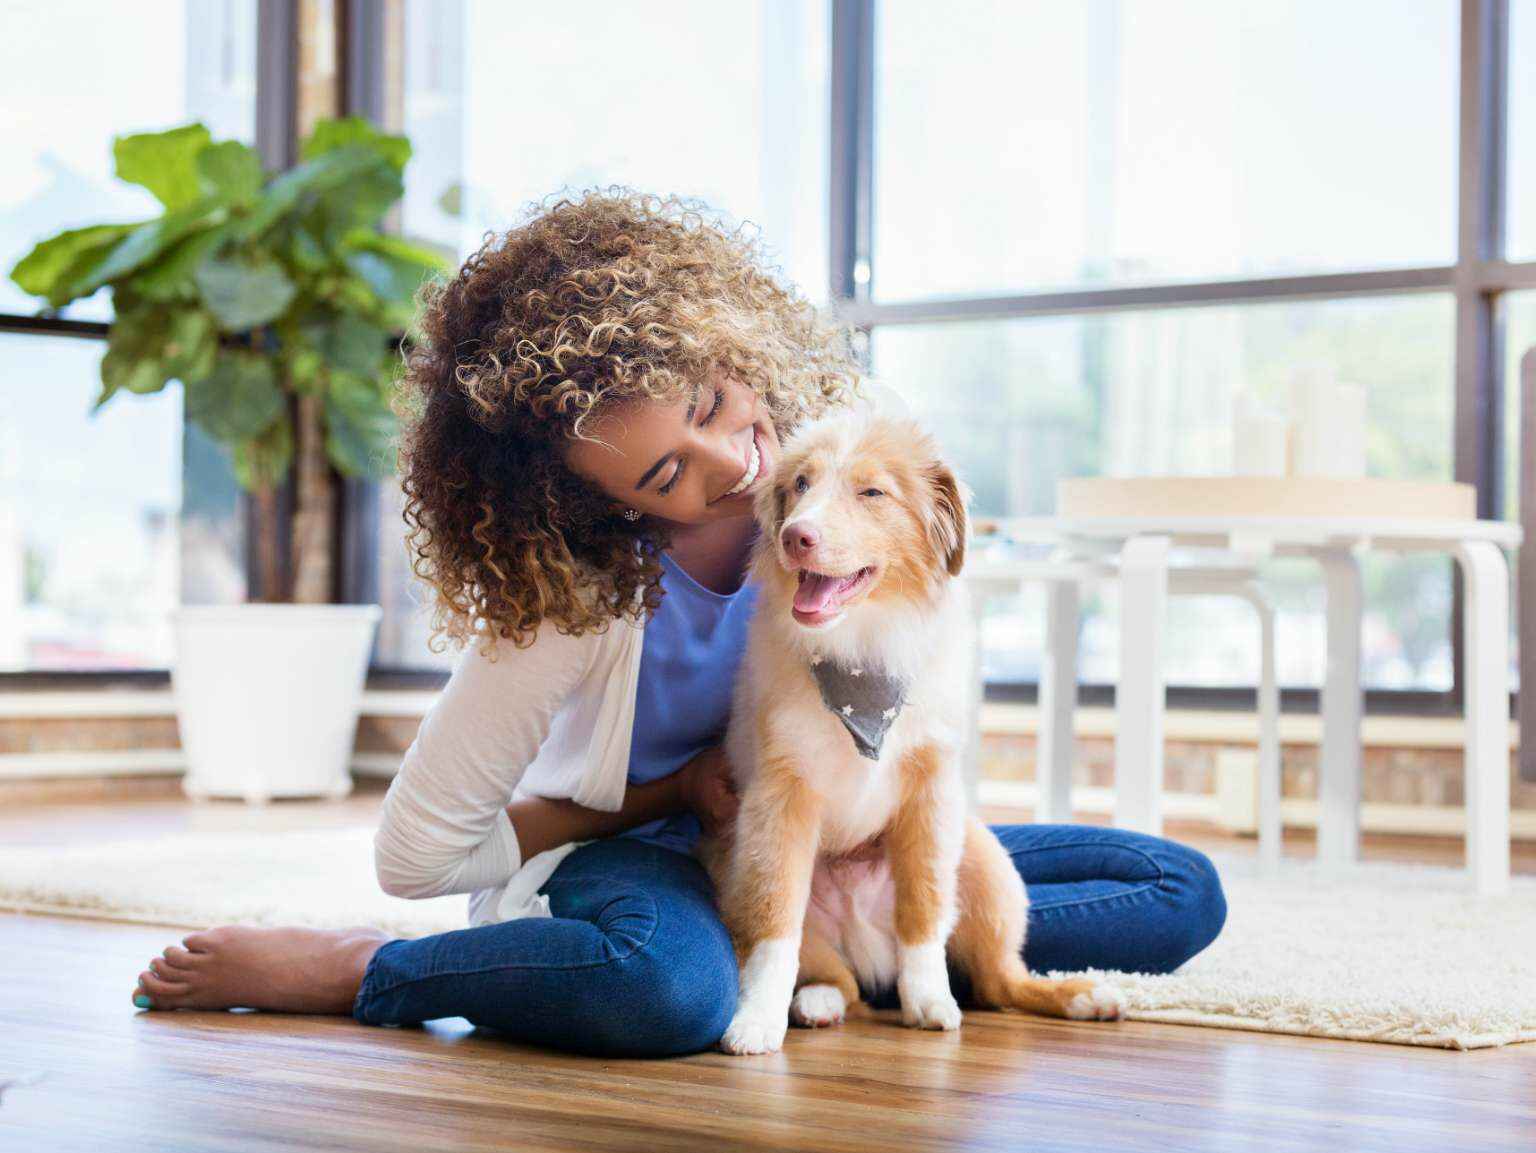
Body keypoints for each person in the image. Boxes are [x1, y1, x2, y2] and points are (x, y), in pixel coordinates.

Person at [131, 190, 1226, 1056]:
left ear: (726, 342)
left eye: (712, 405)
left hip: (840, 837)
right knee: (667, 993)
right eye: (666, 469)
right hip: (656, 855)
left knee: (1177, 893)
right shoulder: (570, 596)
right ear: (604, 502)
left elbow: (919, 637)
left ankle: (860, 954)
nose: (736, 463)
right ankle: (369, 971)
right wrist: (670, 792)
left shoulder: (829, 474)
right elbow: (416, 851)